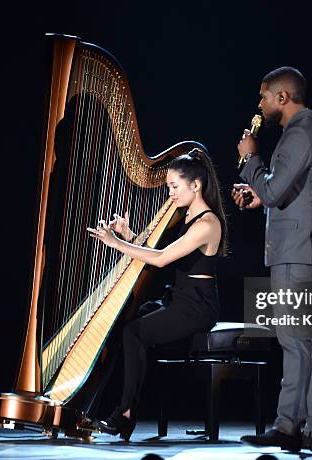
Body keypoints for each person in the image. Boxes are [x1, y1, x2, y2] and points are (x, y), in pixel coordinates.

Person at [84, 148, 227, 441]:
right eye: (169, 188)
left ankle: (125, 414)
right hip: (178, 297)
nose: (170, 193)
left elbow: (161, 259)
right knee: (129, 319)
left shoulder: (207, 224)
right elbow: (163, 255)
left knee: (135, 333)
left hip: (197, 306)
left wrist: (115, 244)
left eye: (174, 187)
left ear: (196, 185)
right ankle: (111, 406)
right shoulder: (187, 215)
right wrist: (129, 236)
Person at [233, 67, 312, 453]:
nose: (259, 104)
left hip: (297, 252)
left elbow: (277, 190)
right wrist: (259, 195)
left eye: (263, 97)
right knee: (306, 341)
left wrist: (251, 161)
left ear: (282, 98)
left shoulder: (297, 136)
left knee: (296, 340)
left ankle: (292, 427)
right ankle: (309, 426)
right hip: (308, 248)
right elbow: (295, 193)